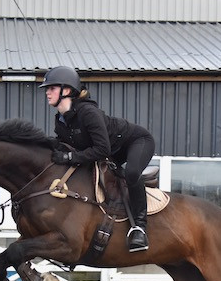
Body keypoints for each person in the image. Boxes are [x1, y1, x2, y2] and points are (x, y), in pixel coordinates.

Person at [40, 66, 154, 252]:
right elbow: (64, 145)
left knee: (132, 173)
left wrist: (69, 156)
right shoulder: (60, 120)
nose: (47, 92)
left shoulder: (88, 113)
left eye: (51, 88)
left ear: (66, 90)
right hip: (112, 152)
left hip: (137, 141)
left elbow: (101, 149)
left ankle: (139, 228)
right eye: (47, 89)